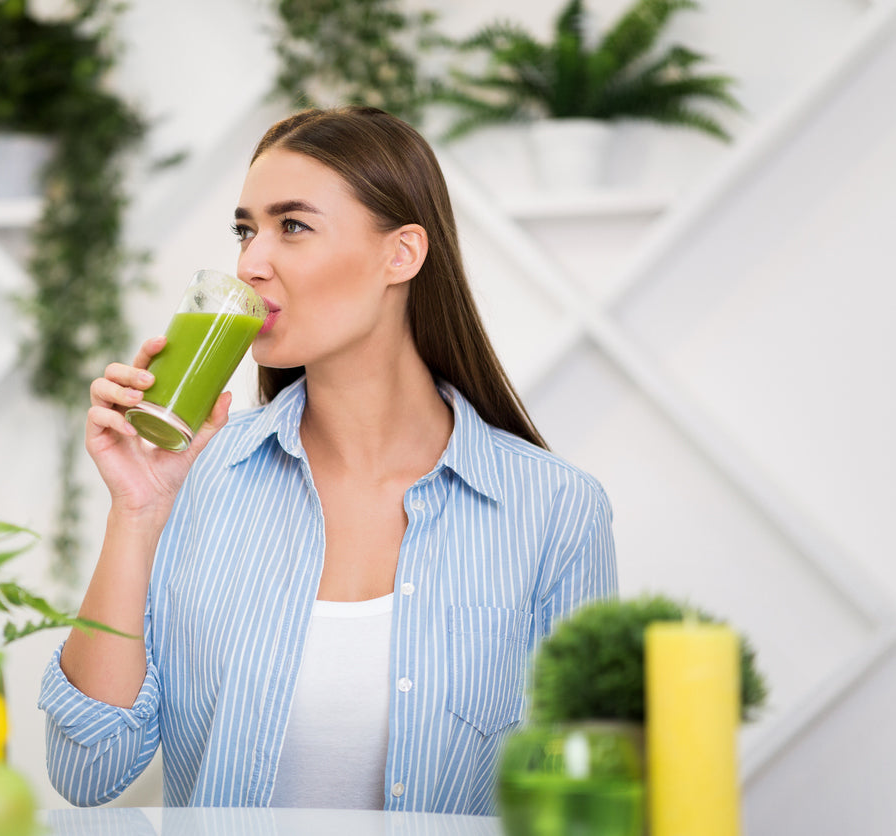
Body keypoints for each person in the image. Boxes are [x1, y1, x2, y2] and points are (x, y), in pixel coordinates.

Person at [39, 106, 617, 815]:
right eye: (246, 230)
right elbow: (85, 769)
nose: (251, 264)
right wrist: (138, 512)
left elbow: (583, 809)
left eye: (294, 226)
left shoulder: (555, 509)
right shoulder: (196, 481)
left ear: (400, 255)